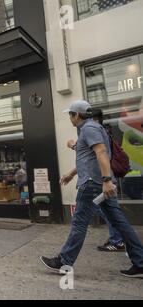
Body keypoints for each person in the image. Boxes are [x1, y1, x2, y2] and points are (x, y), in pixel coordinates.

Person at [40, 100, 143, 278]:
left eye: (70, 114)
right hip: (99, 185)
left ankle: (64, 261)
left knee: (79, 222)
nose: (70, 118)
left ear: (77, 115)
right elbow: (89, 157)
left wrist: (106, 180)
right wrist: (72, 174)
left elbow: (101, 153)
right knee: (119, 223)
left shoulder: (89, 129)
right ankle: (140, 262)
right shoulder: (93, 128)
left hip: (92, 185)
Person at [67, 108, 125, 252]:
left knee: (84, 218)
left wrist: (106, 180)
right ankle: (123, 243)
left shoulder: (92, 130)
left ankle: (118, 240)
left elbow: (97, 155)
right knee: (111, 213)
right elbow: (90, 156)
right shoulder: (100, 130)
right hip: (103, 182)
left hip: (97, 182)